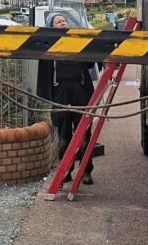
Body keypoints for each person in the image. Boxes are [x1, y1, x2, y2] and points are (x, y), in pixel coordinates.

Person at [46, 12, 96, 184]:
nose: (63, 23)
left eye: (64, 21)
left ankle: (86, 170)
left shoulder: (77, 40)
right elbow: (44, 73)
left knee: (84, 133)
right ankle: (66, 171)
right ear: (51, 27)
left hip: (80, 89)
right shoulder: (49, 45)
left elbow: (91, 63)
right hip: (60, 91)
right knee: (64, 134)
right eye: (58, 21)